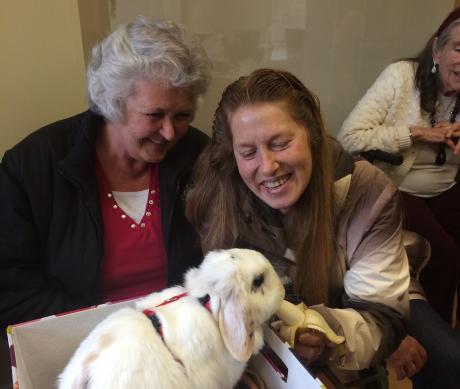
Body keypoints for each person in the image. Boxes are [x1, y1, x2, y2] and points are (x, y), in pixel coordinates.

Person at [186, 68, 410, 376]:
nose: (267, 166)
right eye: (248, 152)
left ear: (312, 134)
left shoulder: (368, 192)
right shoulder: (217, 194)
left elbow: (382, 320)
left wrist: (322, 333)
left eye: (280, 143)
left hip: (342, 373)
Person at [0, 16, 211, 333]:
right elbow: (10, 287)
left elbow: (226, 256)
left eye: (182, 115)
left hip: (183, 339)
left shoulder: (199, 156)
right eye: (155, 115)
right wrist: (113, 333)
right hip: (83, 346)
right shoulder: (33, 167)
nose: (170, 132)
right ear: (112, 103)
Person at [338, 7, 460, 388]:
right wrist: (417, 134)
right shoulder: (401, 76)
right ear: (437, 52)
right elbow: (350, 138)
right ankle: (435, 356)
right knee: (444, 252)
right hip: (398, 186)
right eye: (459, 48)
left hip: (449, 186)